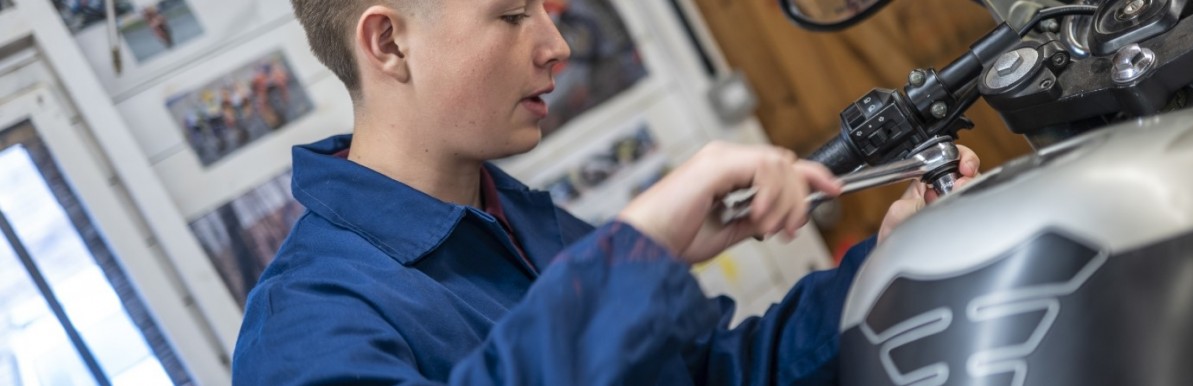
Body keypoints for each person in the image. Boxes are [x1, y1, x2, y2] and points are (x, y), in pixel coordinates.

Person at [230, 0, 981, 385]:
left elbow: (715, 376)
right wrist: (640, 247)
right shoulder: (305, 324)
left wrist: (888, 270)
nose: (555, 45)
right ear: (388, 43)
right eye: (511, 13)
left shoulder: (520, 219)